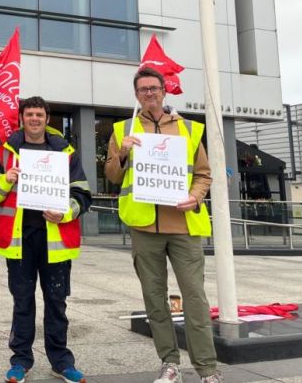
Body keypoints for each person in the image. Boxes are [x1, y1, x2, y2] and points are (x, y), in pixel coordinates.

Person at [104, 67, 223, 383]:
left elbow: (204, 174)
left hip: (183, 225)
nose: (149, 94)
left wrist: (196, 198)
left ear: (164, 91)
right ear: (136, 94)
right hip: (144, 228)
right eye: (142, 89)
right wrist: (123, 154)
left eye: (153, 88)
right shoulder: (122, 130)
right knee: (155, 301)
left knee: (195, 299)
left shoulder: (188, 128)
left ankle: (207, 369)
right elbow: (112, 176)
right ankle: (170, 364)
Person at [0, 96, 92, 383]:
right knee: (22, 301)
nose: (34, 118)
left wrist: (66, 211)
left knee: (57, 302)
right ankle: (20, 360)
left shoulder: (66, 153)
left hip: (55, 239)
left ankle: (61, 362)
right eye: (29, 114)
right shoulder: (5, 154)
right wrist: (6, 179)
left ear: (47, 118)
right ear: (22, 118)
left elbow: (82, 193)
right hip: (19, 240)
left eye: (39, 114)